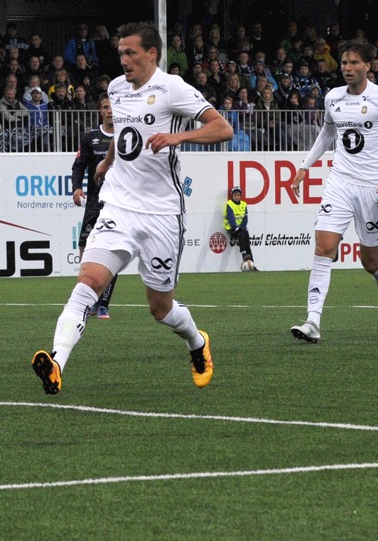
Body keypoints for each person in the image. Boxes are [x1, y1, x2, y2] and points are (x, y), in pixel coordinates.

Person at [32, 22, 233, 395]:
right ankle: (56, 363)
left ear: (152, 53)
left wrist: (178, 136)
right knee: (88, 283)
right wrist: (108, 161)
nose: (123, 60)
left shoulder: (173, 88)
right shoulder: (116, 89)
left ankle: (197, 342)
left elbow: (223, 129)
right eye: (120, 53)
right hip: (119, 206)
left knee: (160, 308)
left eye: (131, 53)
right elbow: (125, 133)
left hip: (161, 214)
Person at [289, 39, 378, 342]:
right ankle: (313, 322)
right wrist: (305, 166)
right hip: (339, 183)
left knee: (369, 260)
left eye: (354, 62)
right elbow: (327, 133)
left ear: (368, 66)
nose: (347, 68)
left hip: (373, 188)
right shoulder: (333, 98)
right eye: (344, 63)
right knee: (324, 247)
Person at [70, 98, 116, 319]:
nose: (109, 112)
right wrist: (77, 188)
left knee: (112, 253)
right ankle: (88, 300)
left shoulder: (126, 138)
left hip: (117, 206)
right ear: (100, 111)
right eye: (106, 108)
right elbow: (79, 165)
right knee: (86, 252)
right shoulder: (90, 138)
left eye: (113, 108)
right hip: (94, 206)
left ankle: (103, 303)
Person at [224, 187, 257, 271]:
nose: (237, 197)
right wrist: (236, 228)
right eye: (235, 195)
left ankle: (252, 265)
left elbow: (245, 218)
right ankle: (243, 253)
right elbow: (231, 217)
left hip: (242, 228)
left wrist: (241, 227)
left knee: (247, 243)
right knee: (241, 235)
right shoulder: (230, 204)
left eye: (238, 195)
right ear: (232, 196)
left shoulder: (244, 204)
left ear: (241, 196)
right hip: (232, 228)